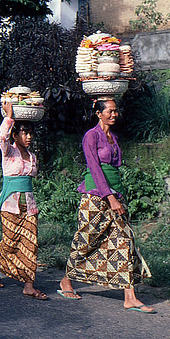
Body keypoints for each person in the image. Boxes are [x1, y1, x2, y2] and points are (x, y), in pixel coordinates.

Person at [57, 99, 154, 313]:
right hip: (95, 196)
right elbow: (95, 168)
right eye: (110, 111)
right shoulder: (91, 136)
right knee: (87, 240)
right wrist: (109, 197)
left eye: (116, 110)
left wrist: (117, 195)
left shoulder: (114, 137)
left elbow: (114, 168)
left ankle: (130, 296)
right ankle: (66, 280)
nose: (114, 114)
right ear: (99, 113)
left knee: (125, 241)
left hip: (115, 194)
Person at [0, 101, 48, 300]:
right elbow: (2, 137)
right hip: (10, 205)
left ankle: (29, 284)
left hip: (28, 207)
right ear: (15, 135)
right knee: (10, 242)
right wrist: (9, 117)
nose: (28, 137)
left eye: (30, 133)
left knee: (30, 243)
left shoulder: (32, 157)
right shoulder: (8, 152)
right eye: (24, 133)